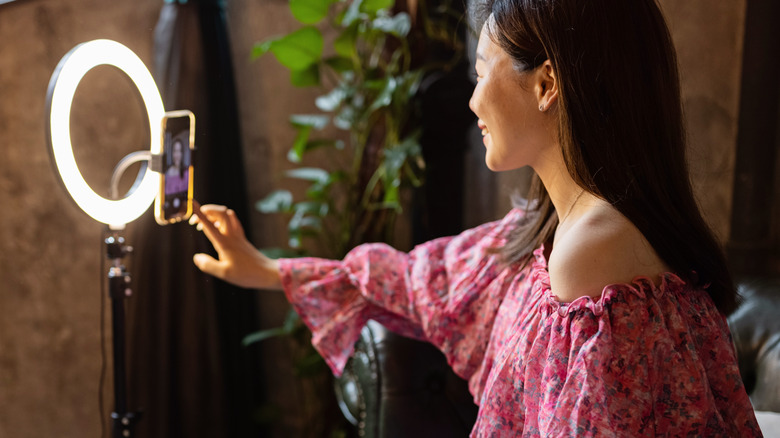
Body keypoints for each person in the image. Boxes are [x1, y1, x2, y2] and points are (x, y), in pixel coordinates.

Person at [190, 0, 762, 435]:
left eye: (481, 70)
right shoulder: (555, 226)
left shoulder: (595, 251)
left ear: (546, 85)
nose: (471, 101)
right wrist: (269, 270)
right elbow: (425, 278)